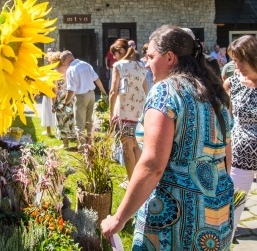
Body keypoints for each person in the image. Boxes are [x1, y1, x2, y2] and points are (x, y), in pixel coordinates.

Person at [101, 25, 233, 250]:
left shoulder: (165, 92)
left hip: (174, 216)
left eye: (151, 56)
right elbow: (225, 157)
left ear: (170, 57)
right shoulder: (213, 93)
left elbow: (153, 165)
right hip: (216, 211)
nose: (147, 62)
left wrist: (119, 218)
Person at [223, 35, 257, 238]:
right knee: (232, 205)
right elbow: (224, 120)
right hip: (240, 156)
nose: (237, 66)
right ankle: (226, 239)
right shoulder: (232, 83)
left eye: (241, 60)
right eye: (234, 60)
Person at [108, 39, 148, 189]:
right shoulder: (141, 65)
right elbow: (145, 88)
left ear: (121, 51)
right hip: (139, 110)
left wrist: (111, 113)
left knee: (127, 147)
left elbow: (113, 91)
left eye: (115, 53)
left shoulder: (119, 66)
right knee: (136, 145)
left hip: (124, 109)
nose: (114, 57)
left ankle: (132, 182)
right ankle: (137, 178)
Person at [60, 50, 107, 150]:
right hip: (91, 95)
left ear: (68, 58)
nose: (64, 63)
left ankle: (82, 147)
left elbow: (71, 89)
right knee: (89, 121)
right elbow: (97, 79)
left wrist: (65, 102)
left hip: (81, 96)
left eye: (63, 61)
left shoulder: (71, 69)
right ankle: (90, 143)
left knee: (79, 124)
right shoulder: (86, 64)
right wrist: (103, 91)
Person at [48, 51, 76, 149]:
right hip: (71, 96)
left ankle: (65, 144)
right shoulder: (70, 69)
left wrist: (53, 103)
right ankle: (75, 137)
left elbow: (54, 89)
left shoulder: (55, 72)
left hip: (61, 99)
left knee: (62, 117)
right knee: (71, 115)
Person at [40, 49, 57, 136]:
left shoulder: (55, 69)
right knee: (46, 112)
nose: (47, 58)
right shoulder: (48, 68)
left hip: (53, 94)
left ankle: (56, 131)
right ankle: (48, 131)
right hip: (47, 93)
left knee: (54, 112)